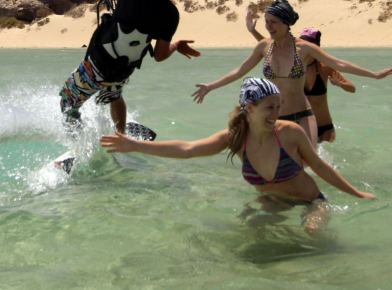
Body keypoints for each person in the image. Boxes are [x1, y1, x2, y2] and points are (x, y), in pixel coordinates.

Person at [101, 77, 376, 233]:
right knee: (250, 235)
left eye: (278, 106)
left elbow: (320, 166)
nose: (276, 113)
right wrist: (136, 146)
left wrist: (358, 194)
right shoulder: (234, 138)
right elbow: (187, 149)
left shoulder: (290, 133)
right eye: (270, 107)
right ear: (250, 107)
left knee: (311, 234)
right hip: (272, 201)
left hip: (310, 201)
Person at [192, 0, 392, 145]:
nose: (269, 26)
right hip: (274, 117)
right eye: (266, 22)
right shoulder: (264, 46)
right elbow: (239, 71)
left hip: (302, 116)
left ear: (286, 22)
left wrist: (374, 74)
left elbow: (339, 64)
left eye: (273, 22)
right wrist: (210, 86)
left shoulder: (304, 48)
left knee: (307, 167)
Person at [59, 0, 200, 133]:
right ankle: (120, 136)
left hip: (96, 66)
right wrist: (176, 45)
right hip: (122, 72)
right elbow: (159, 56)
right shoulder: (171, 13)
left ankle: (76, 142)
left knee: (66, 101)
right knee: (115, 95)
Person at [245, 12, 355, 143]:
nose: (301, 46)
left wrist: (341, 84)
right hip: (299, 125)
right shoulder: (293, 69)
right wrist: (253, 31)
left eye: (307, 42)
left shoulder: (325, 68)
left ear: (315, 46)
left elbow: (352, 89)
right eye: (301, 41)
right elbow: (270, 46)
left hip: (324, 128)